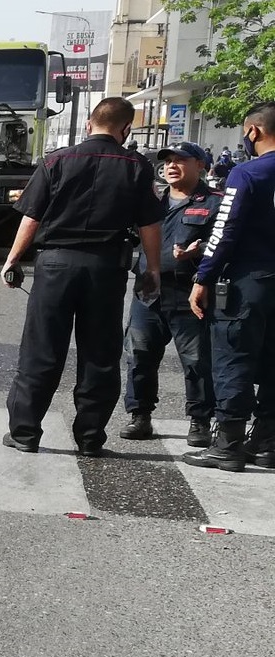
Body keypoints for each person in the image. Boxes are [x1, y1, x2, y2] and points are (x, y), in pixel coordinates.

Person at [0, 97, 165, 455]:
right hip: (106, 270)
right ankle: (90, 438)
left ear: (89, 125)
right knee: (100, 356)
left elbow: (32, 217)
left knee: (41, 351)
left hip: (55, 266)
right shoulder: (136, 166)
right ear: (126, 129)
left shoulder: (57, 161)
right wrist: (152, 269)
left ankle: (25, 433)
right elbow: (150, 224)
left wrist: (13, 259)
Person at [183, 103, 275, 471]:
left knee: (233, 358)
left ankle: (228, 443)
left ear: (253, 131)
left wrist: (203, 276)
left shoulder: (247, 173)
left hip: (250, 281)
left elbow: (225, 231)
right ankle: (267, 442)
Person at [120, 142, 219, 445]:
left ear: (200, 165)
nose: (172, 166)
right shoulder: (152, 201)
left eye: (180, 161)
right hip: (148, 290)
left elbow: (226, 241)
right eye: (168, 162)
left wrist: (199, 250)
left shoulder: (215, 201)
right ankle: (140, 416)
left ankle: (200, 421)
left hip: (189, 291)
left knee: (196, 359)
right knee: (139, 354)